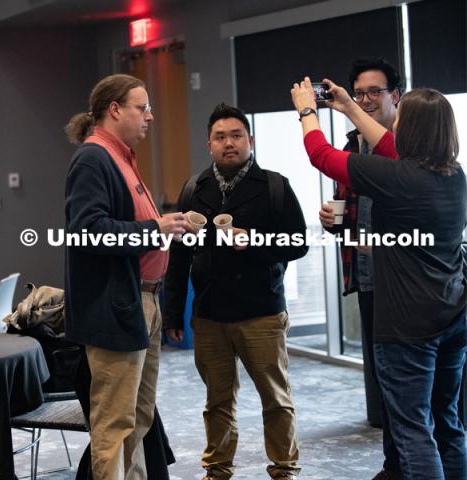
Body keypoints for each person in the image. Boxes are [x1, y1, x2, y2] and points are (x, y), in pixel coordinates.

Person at [291, 77, 467, 480]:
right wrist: (350, 108)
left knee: (413, 431)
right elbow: (392, 147)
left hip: (407, 327)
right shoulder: (453, 175)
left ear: (411, 129)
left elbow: (321, 155)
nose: (394, 126)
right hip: (451, 317)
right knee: (448, 422)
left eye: (399, 118)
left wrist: (307, 110)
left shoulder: (396, 178)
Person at [162, 103, 307, 480]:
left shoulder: (274, 185)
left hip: (261, 311)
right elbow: (178, 255)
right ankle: (217, 469)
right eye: (221, 137)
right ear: (209, 144)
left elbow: (298, 243)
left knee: (275, 399)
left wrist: (254, 242)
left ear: (250, 140)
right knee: (217, 401)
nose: (229, 143)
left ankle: (284, 468)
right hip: (210, 313)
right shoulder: (195, 189)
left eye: (237, 136)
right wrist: (174, 312)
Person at [64, 73, 193, 480]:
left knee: (138, 421)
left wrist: (164, 224)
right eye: (144, 107)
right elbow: (88, 232)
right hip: (119, 304)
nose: (151, 117)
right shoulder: (94, 158)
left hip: (144, 301)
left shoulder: (120, 157)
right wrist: (157, 230)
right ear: (115, 109)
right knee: (115, 426)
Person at [318, 57, 402, 480]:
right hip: (367, 281)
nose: (365, 100)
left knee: (409, 386)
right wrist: (332, 222)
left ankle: (410, 465)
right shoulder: (353, 146)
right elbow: (351, 215)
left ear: (395, 96)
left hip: (405, 286)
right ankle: (394, 464)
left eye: (374, 92)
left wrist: (306, 116)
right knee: (385, 381)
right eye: (360, 93)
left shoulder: (406, 145)